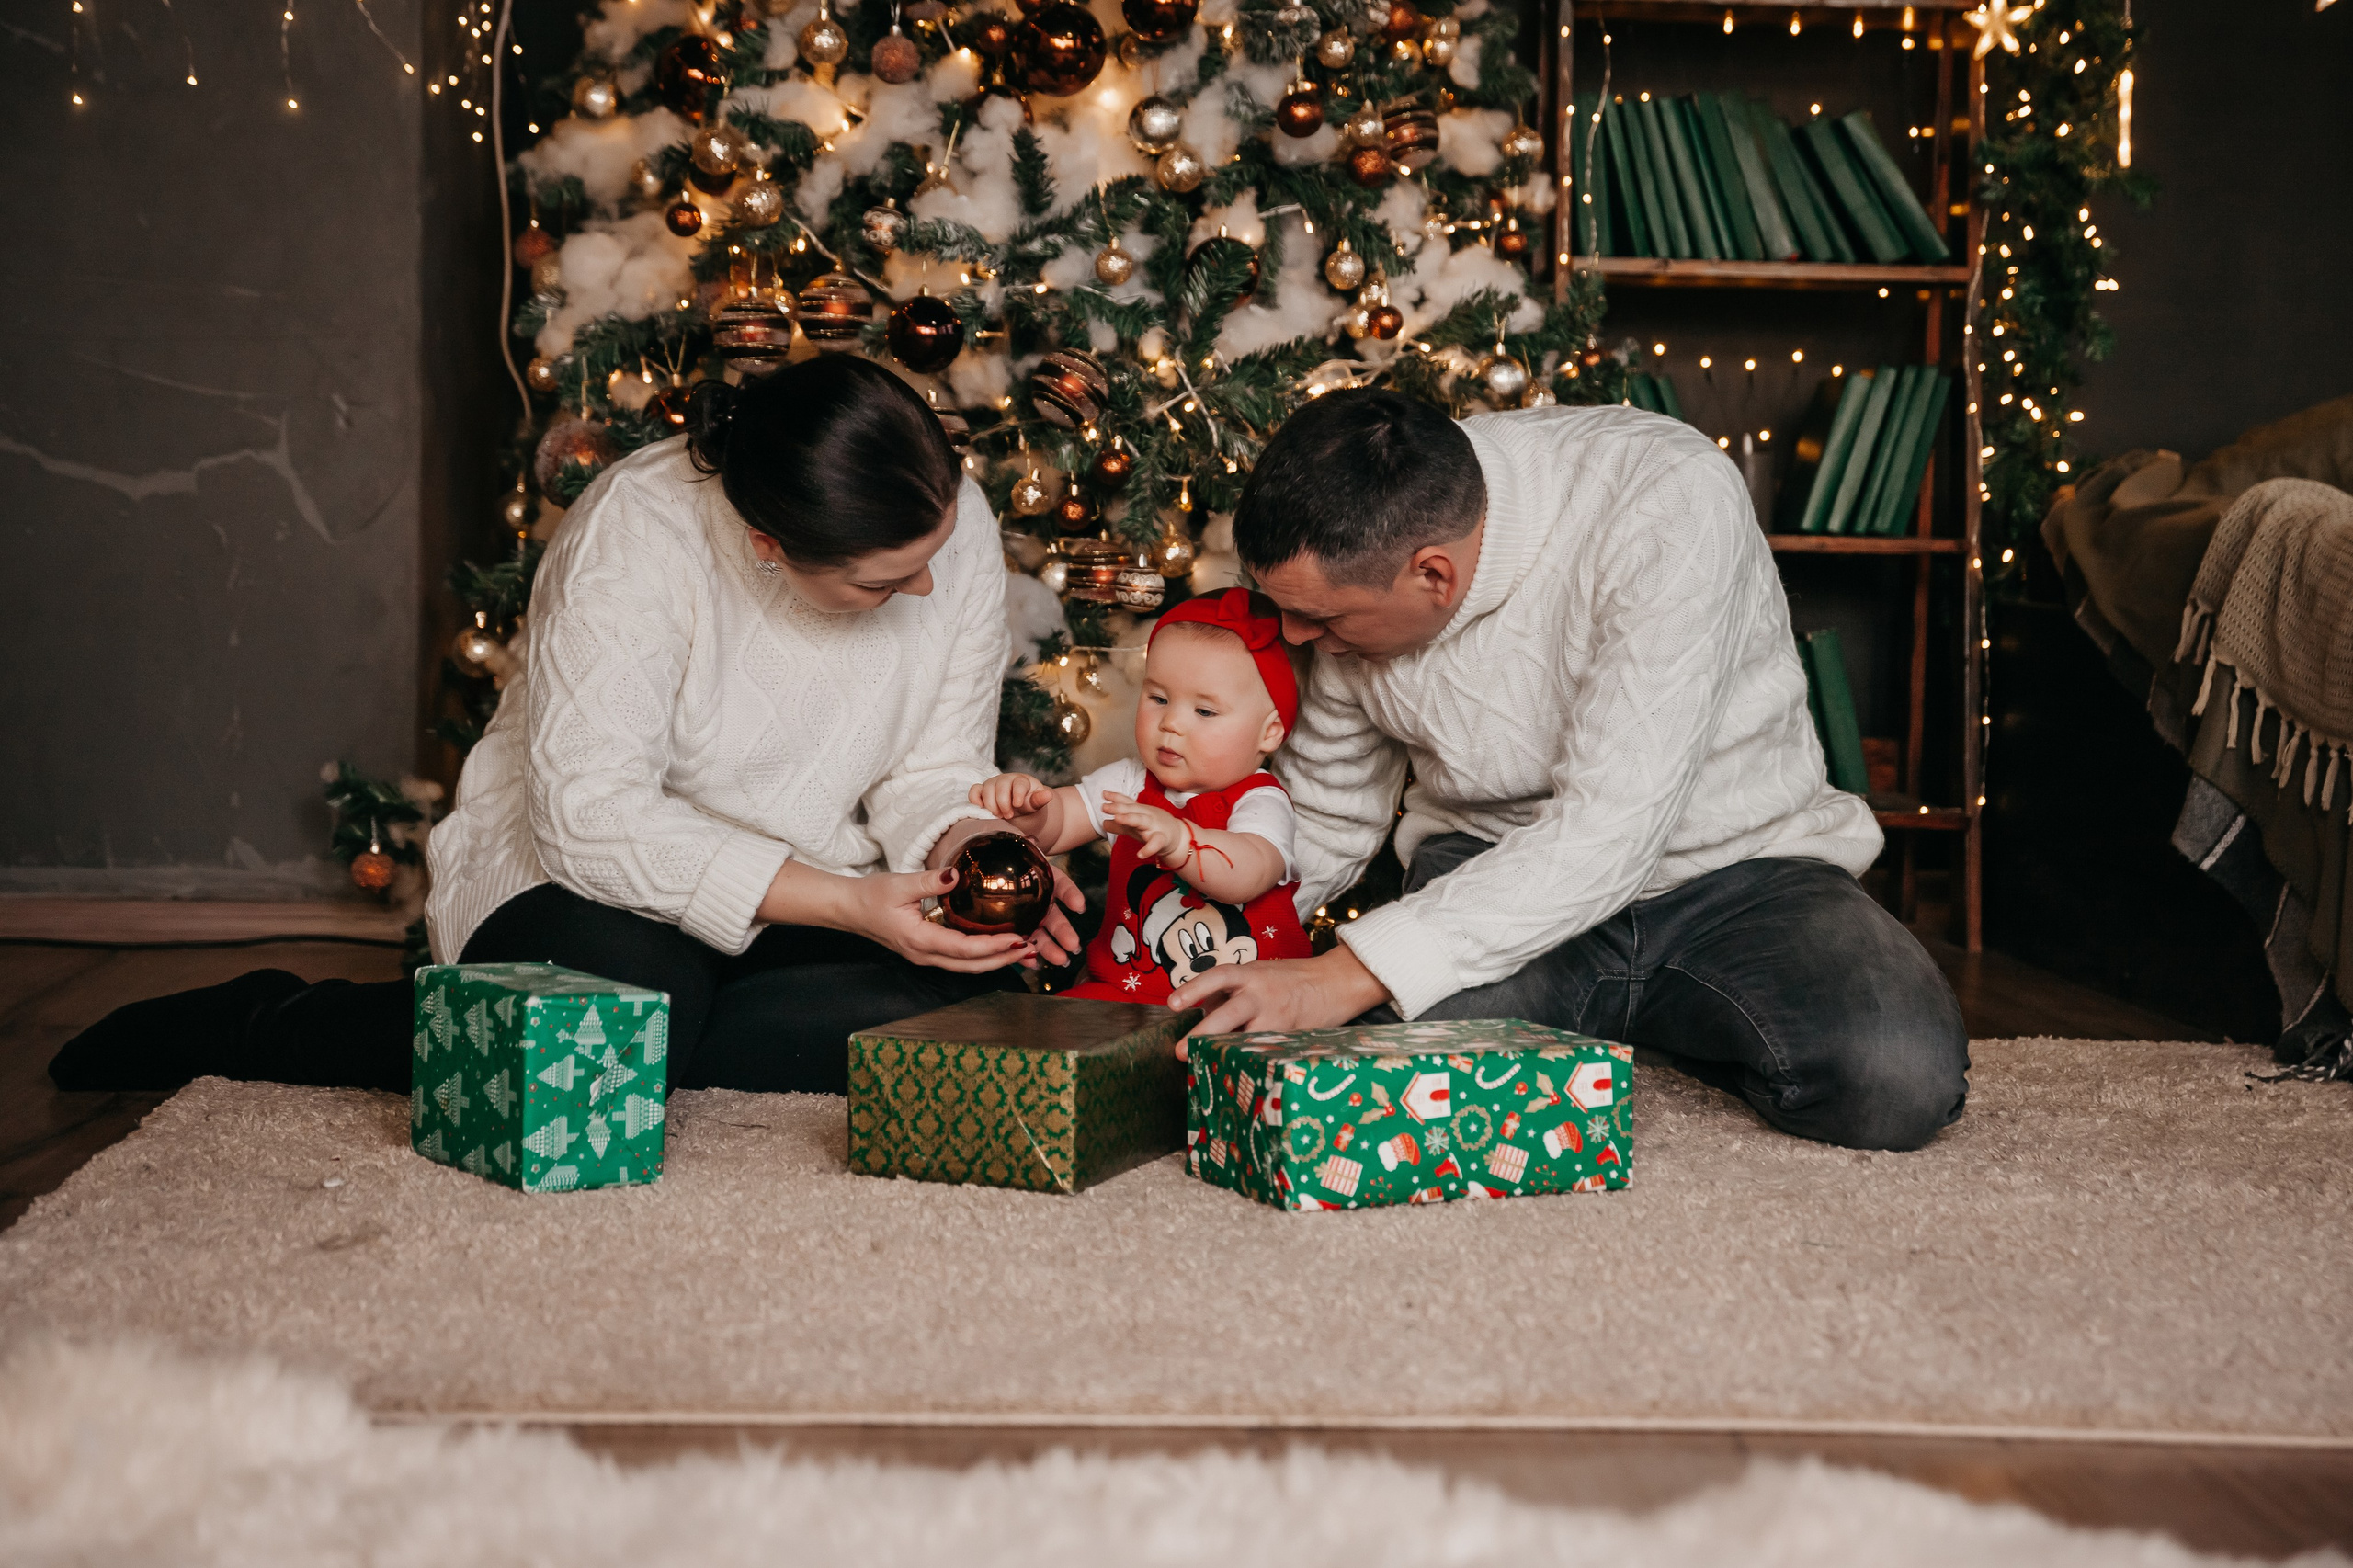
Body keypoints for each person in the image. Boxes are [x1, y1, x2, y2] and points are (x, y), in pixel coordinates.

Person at [51, 356, 1081, 1097]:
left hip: (817, 895)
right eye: (885, 583)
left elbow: (934, 767)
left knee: (989, 988)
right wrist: (854, 906)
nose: (929, 587)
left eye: (936, 554)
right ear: (770, 545)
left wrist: (973, 858)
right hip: (580, 881)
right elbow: (592, 817)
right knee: (626, 1012)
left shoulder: (947, 520)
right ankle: (271, 1023)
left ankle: (594, 1038)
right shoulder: (639, 527)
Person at [1166, 390, 1969, 1152]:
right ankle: (1611, 1034)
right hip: (1487, 860)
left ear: (1434, 574)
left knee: (1895, 1080)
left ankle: (1646, 1031)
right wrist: (1194, 944)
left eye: (1320, 617)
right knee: (1386, 1087)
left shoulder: (1670, 495)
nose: (1294, 638)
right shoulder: (1348, 570)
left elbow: (1612, 828)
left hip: (1741, 874)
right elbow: (1326, 813)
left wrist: (1344, 975)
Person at [969, 588, 1313, 1002]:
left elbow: (1247, 873)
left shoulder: (1260, 800)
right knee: (1060, 1023)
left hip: (1240, 1000)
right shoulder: (1132, 782)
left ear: (1269, 732)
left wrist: (1180, 841)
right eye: (1159, 698)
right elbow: (1057, 825)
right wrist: (1025, 804)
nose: (1170, 723)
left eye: (1204, 711)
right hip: (1123, 992)